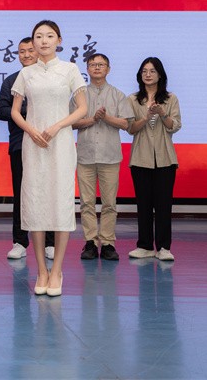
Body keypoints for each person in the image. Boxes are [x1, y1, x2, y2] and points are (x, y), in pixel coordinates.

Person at [10, 20, 87, 297]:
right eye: (39, 36)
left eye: (49, 36)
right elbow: (16, 111)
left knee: (60, 202)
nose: (43, 41)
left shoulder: (70, 69)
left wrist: (57, 126)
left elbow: (83, 108)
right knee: (35, 202)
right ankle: (42, 270)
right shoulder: (26, 73)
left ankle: (57, 271)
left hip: (60, 143)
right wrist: (31, 131)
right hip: (33, 144)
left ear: (59, 40)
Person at [0, 37, 55, 260]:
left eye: (31, 50)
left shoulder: (50, 78)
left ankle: (50, 242)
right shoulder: (12, 80)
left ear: (39, 51)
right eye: (22, 51)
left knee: (47, 193)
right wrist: (26, 110)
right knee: (21, 193)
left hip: (47, 143)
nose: (27, 55)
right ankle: (20, 241)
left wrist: (21, 109)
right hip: (20, 144)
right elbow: (2, 110)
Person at [71, 54, 133, 261]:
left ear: (108, 69)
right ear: (87, 69)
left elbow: (125, 124)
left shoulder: (118, 95)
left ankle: (107, 243)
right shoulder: (79, 95)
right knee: (86, 202)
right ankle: (89, 242)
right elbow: (71, 123)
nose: (97, 68)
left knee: (109, 203)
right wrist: (92, 120)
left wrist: (105, 117)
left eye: (101, 65)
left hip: (110, 156)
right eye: (93, 65)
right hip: (85, 155)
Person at [126, 57, 182, 262]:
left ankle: (164, 247)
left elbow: (174, 126)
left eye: (152, 71)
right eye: (144, 71)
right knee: (144, 205)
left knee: (164, 205)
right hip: (140, 158)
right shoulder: (133, 99)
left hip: (165, 159)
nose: (148, 74)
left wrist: (162, 114)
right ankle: (145, 246)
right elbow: (130, 128)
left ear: (160, 75)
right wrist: (146, 116)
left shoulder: (170, 98)